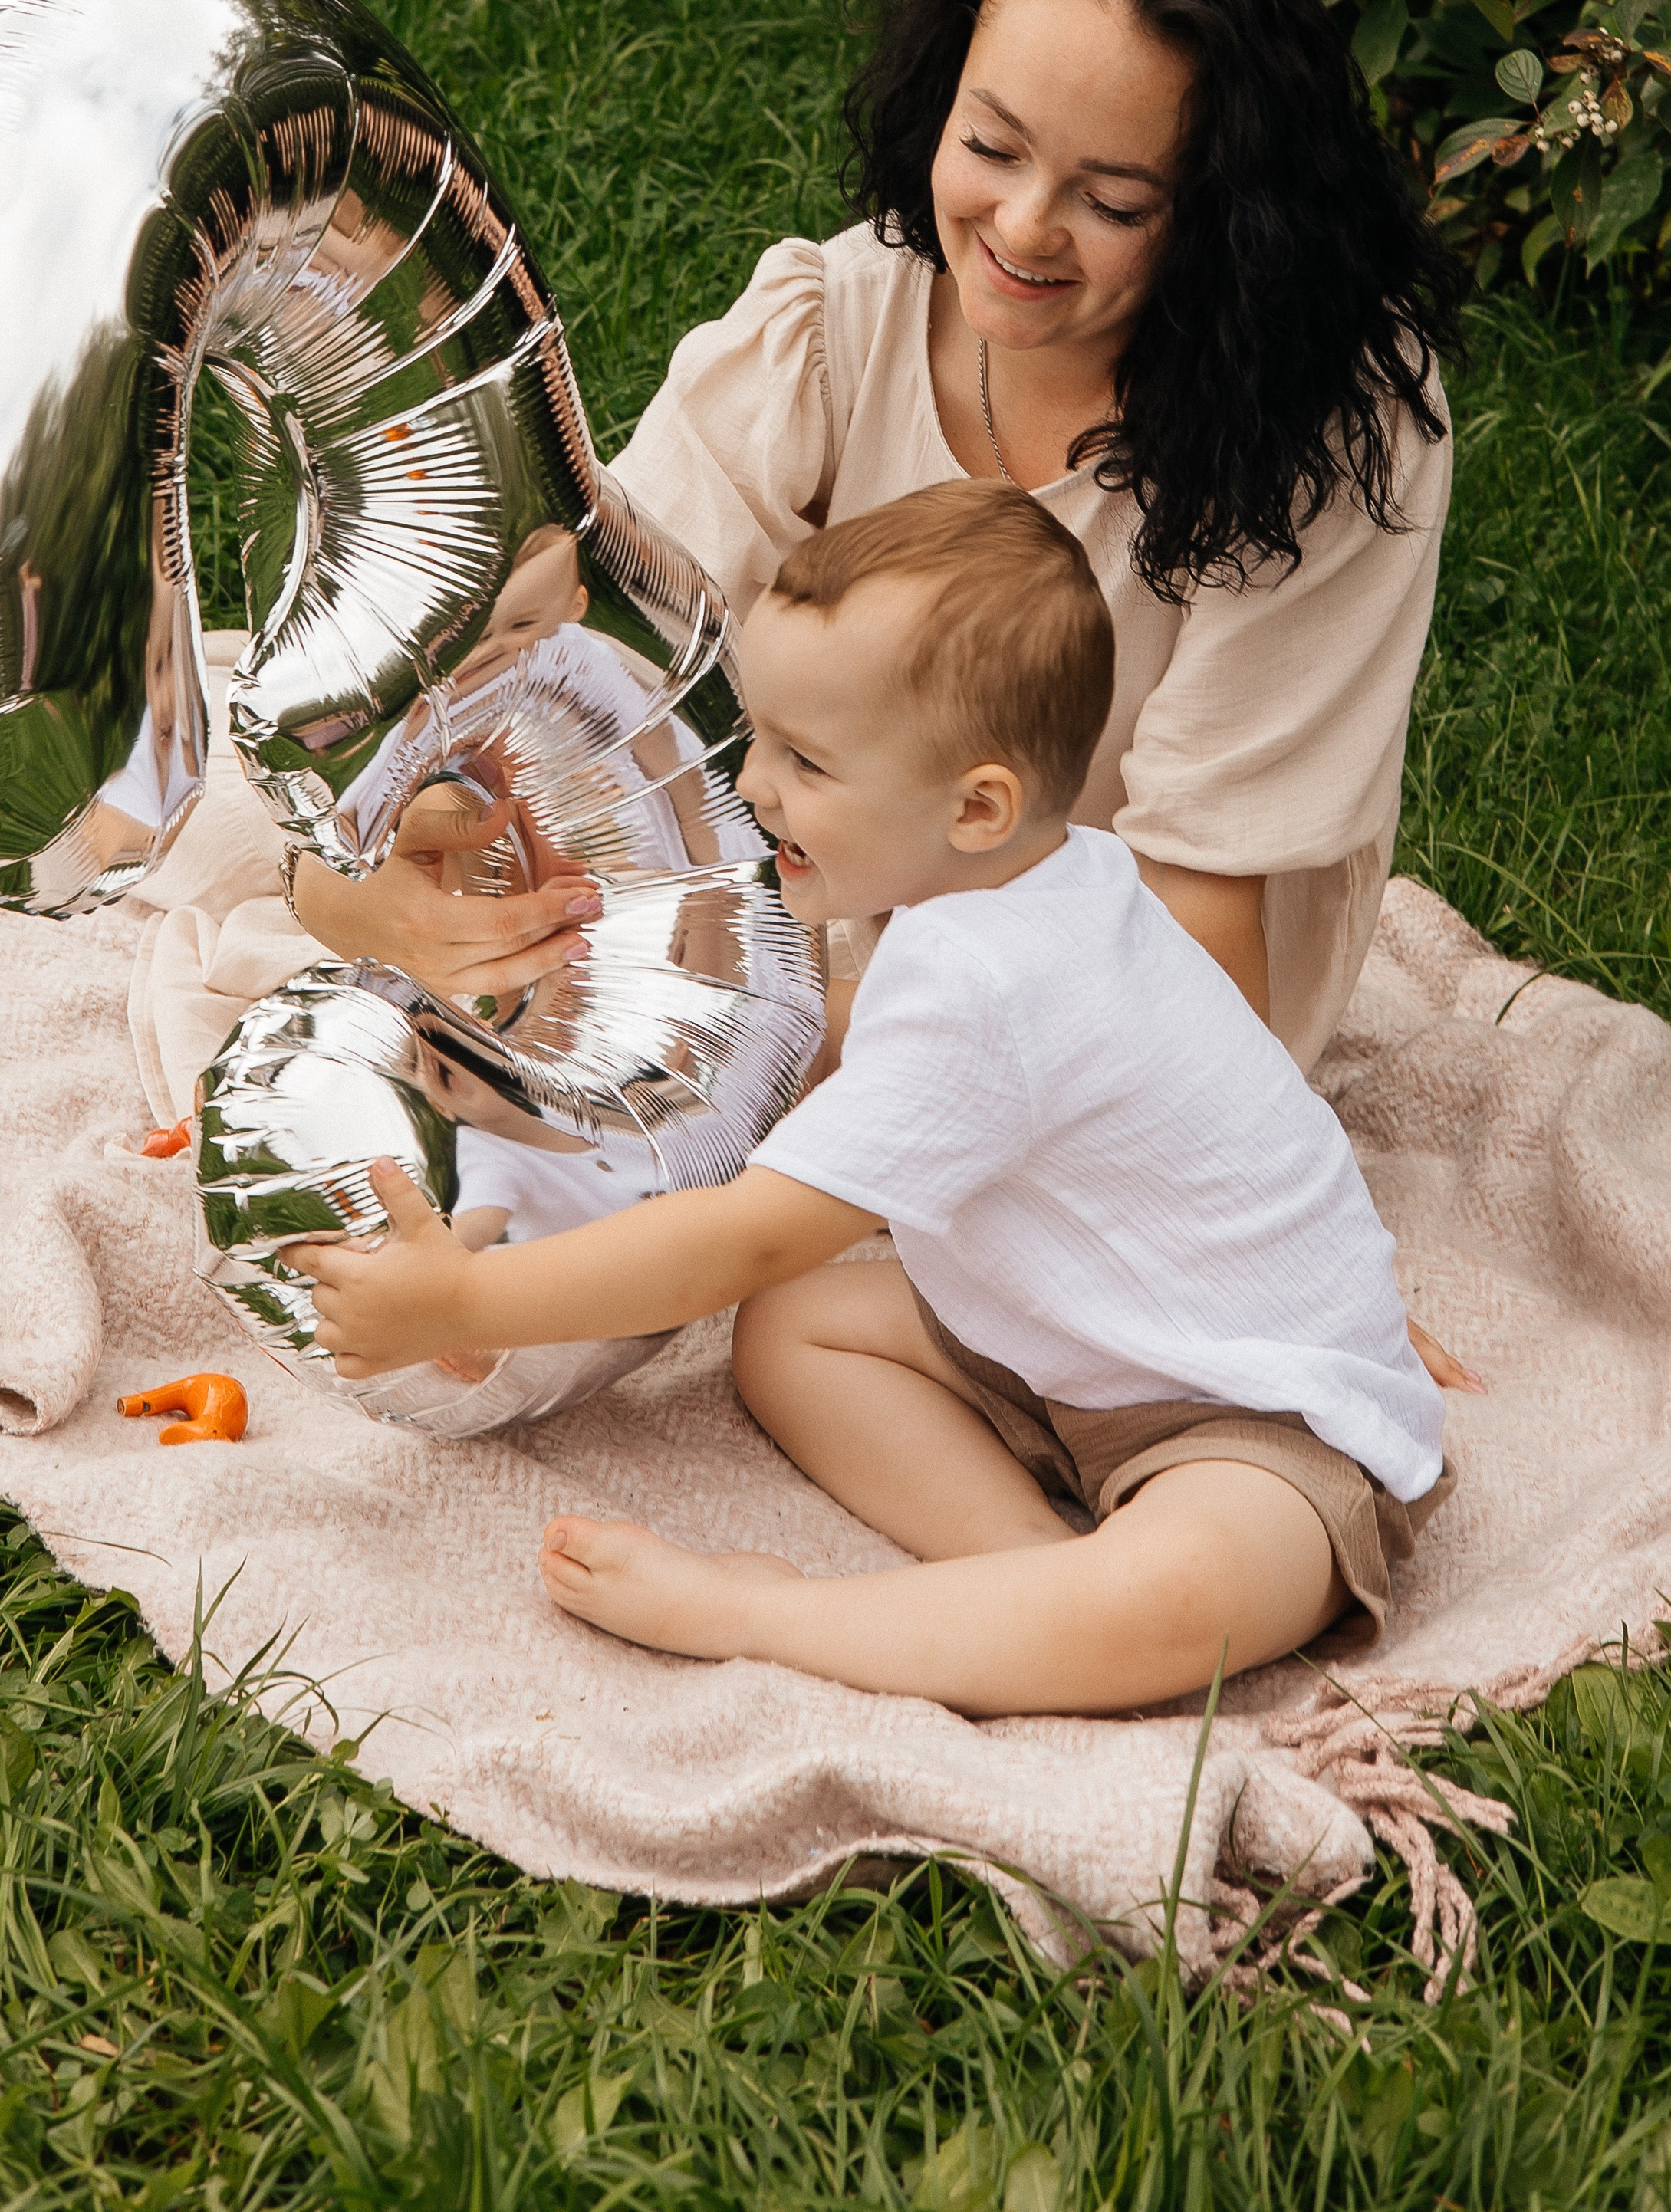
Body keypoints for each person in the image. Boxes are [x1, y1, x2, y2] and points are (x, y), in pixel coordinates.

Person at [284, 0, 1475, 1390]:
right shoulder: (831, 325)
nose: (1024, 229)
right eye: (986, 147)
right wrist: (399, 886)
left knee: (689, 1221)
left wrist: (1234, 1259)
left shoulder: (1325, 428)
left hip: (1111, 1009)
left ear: (1227, 218)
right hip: (816, 882)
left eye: (1114, 202)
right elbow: (581, 662)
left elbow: (1198, 941)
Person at [287, 484, 1446, 1717]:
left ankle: (772, 1614)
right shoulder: (1045, 879)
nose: (759, 785)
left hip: (1260, 1415)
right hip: (1067, 1340)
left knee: (1179, 1602)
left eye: (807, 760)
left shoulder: (990, 976)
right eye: (763, 738)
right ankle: (1028, 1579)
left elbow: (744, 1237)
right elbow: (827, 1077)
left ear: (977, 806)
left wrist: (465, 1298)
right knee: (796, 1327)